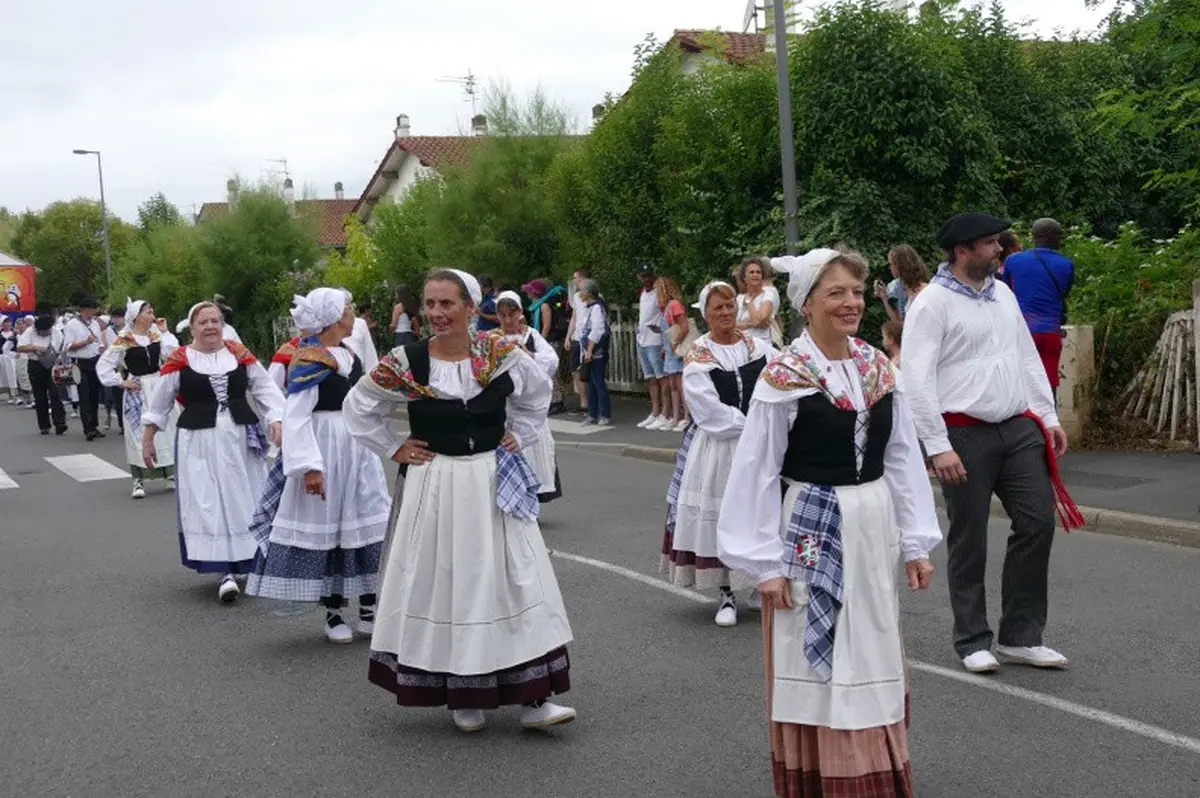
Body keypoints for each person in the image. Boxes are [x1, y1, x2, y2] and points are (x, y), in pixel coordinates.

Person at [718, 247, 942, 798]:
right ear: (807, 303)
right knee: (816, 649)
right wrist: (765, 564)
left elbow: (900, 456)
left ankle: (874, 776)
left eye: (857, 293)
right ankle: (824, 779)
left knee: (870, 644)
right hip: (810, 527)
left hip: (871, 525)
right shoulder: (784, 374)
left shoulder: (875, 366)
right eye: (836, 292)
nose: (851, 304)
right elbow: (757, 470)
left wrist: (915, 542)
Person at [342, 268, 575, 733]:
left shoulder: (499, 353)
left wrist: (519, 434)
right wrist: (395, 447)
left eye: (447, 304)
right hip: (438, 483)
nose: (436, 313)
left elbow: (537, 394)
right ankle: (463, 694)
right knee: (448, 583)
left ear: (471, 307)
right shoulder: (406, 362)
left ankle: (534, 697)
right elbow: (358, 405)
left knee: (515, 579)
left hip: (491, 479)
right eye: (430, 304)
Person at [903, 212, 1083, 675]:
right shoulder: (932, 304)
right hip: (962, 433)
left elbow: (1025, 356)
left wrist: (1046, 415)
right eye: (989, 244)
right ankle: (971, 639)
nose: (999, 248)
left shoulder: (1003, 293)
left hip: (1017, 428)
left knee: (1038, 520)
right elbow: (916, 380)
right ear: (962, 251)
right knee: (970, 536)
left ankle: (1021, 637)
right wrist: (937, 445)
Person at [246, 288, 390, 643]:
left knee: (366, 522)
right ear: (336, 317)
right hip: (324, 449)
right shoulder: (310, 360)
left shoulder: (349, 353)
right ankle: (334, 610)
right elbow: (295, 416)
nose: (353, 312)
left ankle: (370, 606)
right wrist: (310, 466)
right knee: (330, 527)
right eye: (348, 308)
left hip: (357, 450)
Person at [141, 301, 285, 603]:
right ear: (191, 328)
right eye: (203, 322)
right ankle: (224, 570)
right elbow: (160, 402)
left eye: (215, 321)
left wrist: (276, 419)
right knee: (208, 499)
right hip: (199, 440)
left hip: (239, 437)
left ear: (223, 324)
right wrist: (148, 437)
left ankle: (252, 559)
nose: (210, 326)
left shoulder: (239, 354)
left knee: (246, 495)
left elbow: (266, 389)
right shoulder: (181, 359)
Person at [661, 281, 774, 626]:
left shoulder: (759, 346)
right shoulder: (699, 355)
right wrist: (755, 424)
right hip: (720, 448)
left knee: (760, 513)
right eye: (717, 309)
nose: (725, 313)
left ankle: (758, 582)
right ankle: (726, 592)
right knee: (723, 515)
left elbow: (777, 386)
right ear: (706, 314)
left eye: (729, 306)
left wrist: (769, 425)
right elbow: (708, 411)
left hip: (760, 445)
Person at [97, 299, 178, 499]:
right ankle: (138, 479)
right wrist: (121, 381)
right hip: (138, 388)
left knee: (166, 429)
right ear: (137, 316)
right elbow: (104, 364)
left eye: (152, 311)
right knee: (138, 432)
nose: (152, 315)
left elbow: (174, 353)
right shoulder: (125, 338)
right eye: (148, 312)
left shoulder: (155, 335)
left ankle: (170, 474)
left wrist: (165, 331)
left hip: (158, 384)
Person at [496, 290, 562, 502]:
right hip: (505, 407)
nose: (508, 320)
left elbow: (551, 361)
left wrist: (528, 353)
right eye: (503, 315)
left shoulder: (530, 335)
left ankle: (532, 497)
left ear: (519, 314)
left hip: (530, 405)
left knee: (533, 451)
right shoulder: (492, 339)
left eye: (511, 314)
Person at [999, 218, 1076, 398]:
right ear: (1051, 237)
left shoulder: (1013, 261)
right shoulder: (1066, 264)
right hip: (1050, 331)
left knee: (1020, 381)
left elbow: (1007, 291)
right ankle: (1049, 423)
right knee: (1048, 385)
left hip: (1022, 331)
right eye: (1059, 235)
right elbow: (1063, 292)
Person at [523, 278, 570, 415]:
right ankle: (553, 400)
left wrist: (540, 342)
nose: (528, 294)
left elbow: (547, 326)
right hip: (549, 340)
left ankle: (557, 401)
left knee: (553, 371)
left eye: (530, 291)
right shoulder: (538, 305)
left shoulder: (544, 306)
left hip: (551, 341)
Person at [16, 315, 67, 435]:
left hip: (52, 365)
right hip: (35, 364)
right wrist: (34, 347)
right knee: (40, 396)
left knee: (55, 393)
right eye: (42, 332)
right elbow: (20, 347)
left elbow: (62, 348)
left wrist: (59, 357)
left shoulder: (56, 333)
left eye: (47, 331)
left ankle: (60, 423)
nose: (45, 333)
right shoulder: (29, 332)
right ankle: (44, 425)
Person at [63, 298, 105, 441]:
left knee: (94, 395)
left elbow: (98, 342)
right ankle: (88, 428)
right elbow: (68, 346)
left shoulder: (95, 324)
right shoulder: (72, 325)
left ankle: (94, 425)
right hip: (80, 362)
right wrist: (85, 342)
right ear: (85, 309)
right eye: (92, 309)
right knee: (84, 395)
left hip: (94, 361)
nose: (94, 312)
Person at [634, 263, 669, 430]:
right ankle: (655, 411)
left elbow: (664, 313)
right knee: (651, 378)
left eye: (648, 275)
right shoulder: (643, 293)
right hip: (643, 338)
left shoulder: (658, 293)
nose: (646, 279)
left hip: (654, 339)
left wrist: (662, 335)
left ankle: (665, 412)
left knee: (662, 377)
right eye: (643, 276)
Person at [656, 277, 692, 432]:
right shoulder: (666, 308)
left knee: (680, 384)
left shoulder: (674, 305)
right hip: (670, 349)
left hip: (676, 349)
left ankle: (687, 417)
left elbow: (684, 326)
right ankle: (676, 416)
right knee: (673, 385)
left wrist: (675, 343)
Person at [579, 278, 612, 427]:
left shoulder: (597, 308)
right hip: (590, 351)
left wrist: (590, 350)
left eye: (581, 290)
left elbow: (597, 330)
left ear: (588, 292)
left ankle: (604, 414)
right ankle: (592, 413)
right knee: (591, 383)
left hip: (596, 352)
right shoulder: (590, 307)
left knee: (598, 382)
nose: (579, 294)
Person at [874, 245, 928, 323]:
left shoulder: (925, 290)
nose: (890, 268)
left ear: (901, 265)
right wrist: (884, 297)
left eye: (891, 264)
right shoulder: (897, 287)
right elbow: (898, 322)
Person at [735, 256, 781, 345]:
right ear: (744, 277)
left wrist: (749, 301)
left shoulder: (768, 295)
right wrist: (751, 324)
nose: (755, 274)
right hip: (742, 344)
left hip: (762, 345)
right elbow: (732, 325)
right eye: (751, 272)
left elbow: (759, 320)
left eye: (758, 272)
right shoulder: (739, 298)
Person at [565, 269, 591, 416]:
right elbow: (574, 317)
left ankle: (591, 401)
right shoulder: (575, 296)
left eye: (575, 278)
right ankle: (583, 401)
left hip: (587, 338)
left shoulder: (593, 296)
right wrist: (568, 335)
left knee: (587, 371)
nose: (574, 280)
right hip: (576, 337)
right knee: (575, 370)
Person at [341, 289, 379, 372]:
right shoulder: (328, 326)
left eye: (351, 305)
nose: (352, 309)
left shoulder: (360, 323)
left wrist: (372, 376)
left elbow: (369, 351)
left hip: (360, 372)